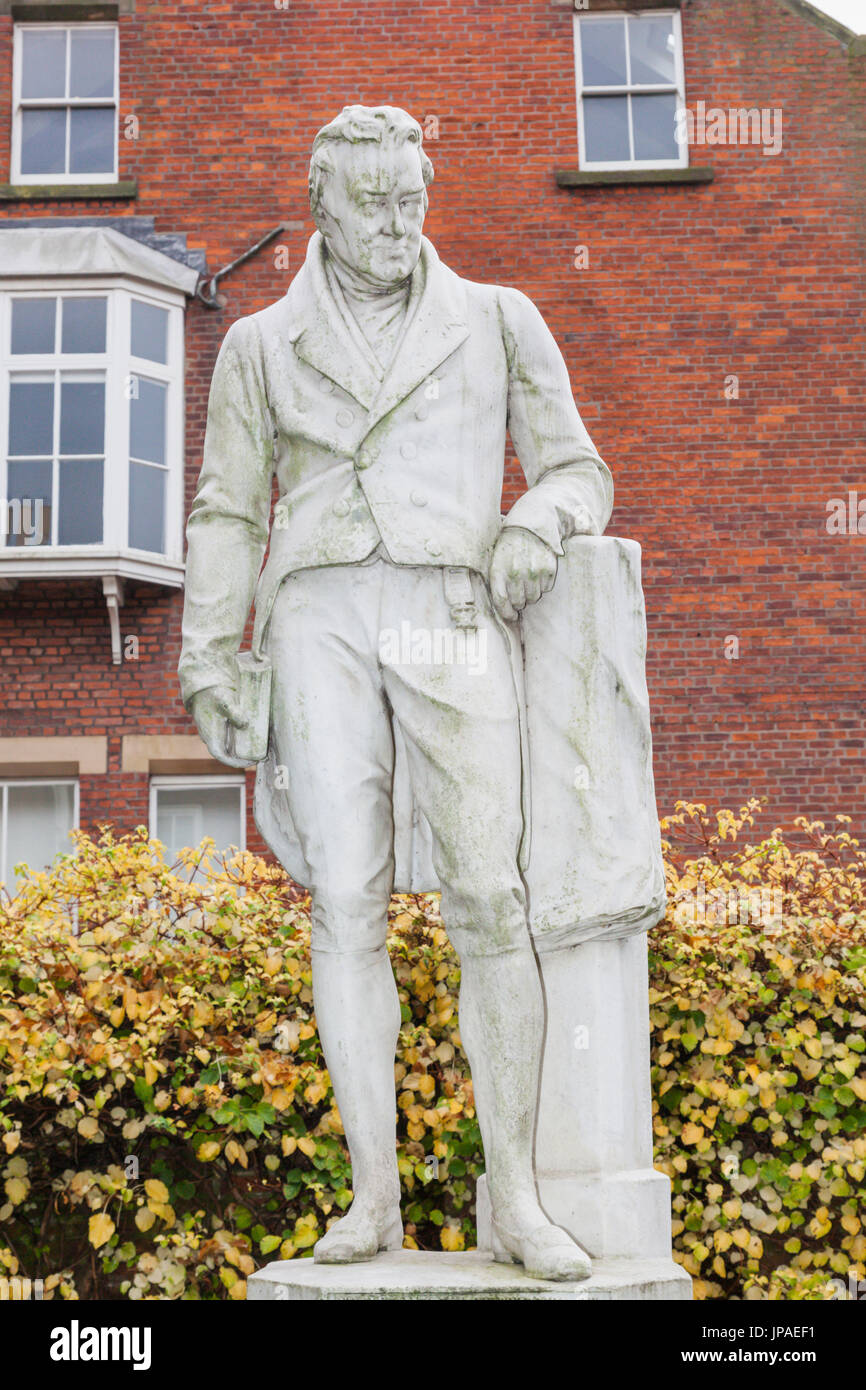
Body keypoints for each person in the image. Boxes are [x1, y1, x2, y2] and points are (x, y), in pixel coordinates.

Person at [179, 105, 613, 1281]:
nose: (391, 224)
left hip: (450, 613)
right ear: (318, 205)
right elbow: (225, 510)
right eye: (367, 204)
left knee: (489, 894)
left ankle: (513, 1198)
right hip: (317, 616)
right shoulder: (262, 346)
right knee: (344, 905)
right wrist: (212, 654)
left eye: (408, 201)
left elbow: (577, 466)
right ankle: (373, 1197)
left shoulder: (494, 319)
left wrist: (534, 516)